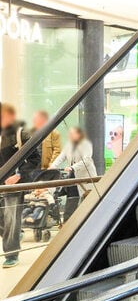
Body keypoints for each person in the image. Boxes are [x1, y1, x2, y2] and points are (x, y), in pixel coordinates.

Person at [0, 104, 41, 268]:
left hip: (14, 183)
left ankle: (11, 253)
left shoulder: (20, 133)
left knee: (11, 217)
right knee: (8, 221)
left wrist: (19, 175)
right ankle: (17, 234)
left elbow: (34, 158)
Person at [51, 126, 97, 222]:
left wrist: (73, 167)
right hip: (72, 175)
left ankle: (87, 220)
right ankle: (68, 221)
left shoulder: (86, 144)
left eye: (72, 134)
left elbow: (87, 160)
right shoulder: (69, 145)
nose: (70, 136)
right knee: (72, 198)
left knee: (87, 199)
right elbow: (61, 157)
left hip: (85, 175)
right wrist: (52, 167)